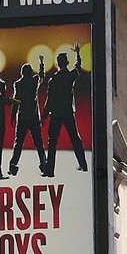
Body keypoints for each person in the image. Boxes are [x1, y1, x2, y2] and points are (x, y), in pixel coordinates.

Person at [42, 43, 88, 177]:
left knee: (52, 142)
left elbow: (49, 100)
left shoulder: (53, 80)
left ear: (58, 63)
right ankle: (83, 165)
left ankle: (50, 170)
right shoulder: (70, 76)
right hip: (67, 112)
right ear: (66, 63)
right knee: (75, 139)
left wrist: (44, 116)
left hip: (56, 114)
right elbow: (78, 67)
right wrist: (78, 54)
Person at [8, 57, 48, 177]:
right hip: (33, 116)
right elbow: (41, 75)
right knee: (38, 142)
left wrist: (13, 115)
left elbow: (16, 101)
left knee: (18, 143)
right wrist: (41, 63)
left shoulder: (18, 84)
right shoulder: (34, 81)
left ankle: (13, 165)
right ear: (30, 72)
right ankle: (43, 164)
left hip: (22, 116)